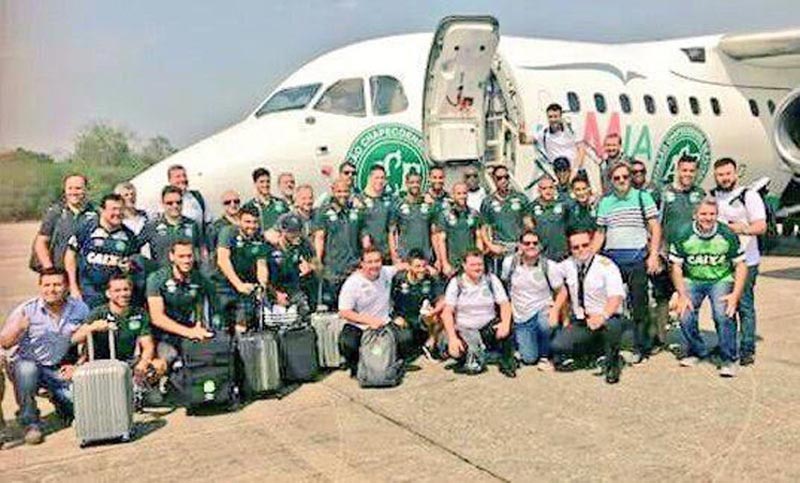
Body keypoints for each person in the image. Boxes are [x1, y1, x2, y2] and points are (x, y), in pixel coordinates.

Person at [0, 269, 89, 445]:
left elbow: (88, 339)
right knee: (27, 370)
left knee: (78, 408)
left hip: (56, 368)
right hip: (26, 365)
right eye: (47, 285)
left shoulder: (79, 308)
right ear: (40, 287)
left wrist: (78, 364)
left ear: (66, 287)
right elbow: (4, 343)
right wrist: (19, 328)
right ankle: (30, 421)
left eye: (57, 285)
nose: (52, 289)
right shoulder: (27, 310)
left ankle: (58, 399)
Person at [592, 161, 662, 363]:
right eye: (617, 178)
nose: (621, 180)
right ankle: (608, 347)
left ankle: (641, 348)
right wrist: (589, 256)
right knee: (609, 305)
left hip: (637, 259)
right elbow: (600, 233)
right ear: (611, 181)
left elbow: (655, 228)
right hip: (612, 261)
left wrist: (654, 254)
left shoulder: (642, 197)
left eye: (625, 177)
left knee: (639, 306)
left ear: (630, 178)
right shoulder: (605, 202)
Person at [669, 198, 747, 377]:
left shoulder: (727, 234)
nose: (708, 218)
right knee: (685, 314)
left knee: (723, 314)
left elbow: (741, 265)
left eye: (712, 214)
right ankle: (697, 351)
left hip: (720, 278)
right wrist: (682, 294)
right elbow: (676, 267)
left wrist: (735, 295)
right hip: (693, 279)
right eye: (703, 214)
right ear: (695, 215)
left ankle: (729, 358)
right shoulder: (683, 233)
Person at [711, 157, 767, 366]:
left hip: (746, 261)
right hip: (722, 262)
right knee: (724, 305)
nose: (724, 178)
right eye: (720, 175)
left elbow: (760, 226)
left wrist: (741, 228)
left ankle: (747, 347)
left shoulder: (748, 195)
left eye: (727, 174)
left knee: (744, 305)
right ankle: (727, 344)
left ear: (735, 174)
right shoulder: (714, 196)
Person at [551, 230, 626, 384]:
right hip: (582, 320)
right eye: (575, 247)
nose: (581, 250)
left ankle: (613, 364)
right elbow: (551, 277)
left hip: (607, 317)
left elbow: (616, 297)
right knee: (558, 345)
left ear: (592, 244)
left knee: (612, 328)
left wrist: (602, 316)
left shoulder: (606, 266)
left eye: (585, 245)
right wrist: (553, 308)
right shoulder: (566, 266)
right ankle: (592, 353)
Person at [71, 273, 166, 380]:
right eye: (117, 291)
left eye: (126, 289)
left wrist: (143, 364)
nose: (123, 294)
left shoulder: (139, 313)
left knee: (159, 365)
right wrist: (92, 327)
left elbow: (148, 346)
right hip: (100, 364)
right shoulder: (98, 313)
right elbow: (74, 339)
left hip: (128, 362)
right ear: (108, 293)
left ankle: (140, 392)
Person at [655, 154, 706, 349]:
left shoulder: (700, 195)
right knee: (661, 298)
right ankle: (659, 339)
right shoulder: (665, 193)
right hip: (667, 255)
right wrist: (657, 252)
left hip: (690, 258)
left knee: (689, 298)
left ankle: (690, 341)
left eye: (691, 171)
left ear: (696, 172)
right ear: (678, 170)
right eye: (684, 170)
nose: (688, 174)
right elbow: (657, 224)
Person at [441, 251, 516, 377]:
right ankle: (472, 356)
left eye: (480, 264)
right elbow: (447, 313)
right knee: (456, 353)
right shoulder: (456, 283)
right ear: (464, 266)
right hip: (465, 330)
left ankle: (506, 362)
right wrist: (453, 338)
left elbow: (505, 304)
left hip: (487, 327)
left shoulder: (491, 279)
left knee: (507, 327)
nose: (478, 268)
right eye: (473, 265)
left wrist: (505, 323)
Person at [338, 248, 409, 376]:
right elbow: (344, 312)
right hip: (360, 325)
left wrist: (424, 269)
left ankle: (390, 363)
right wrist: (369, 321)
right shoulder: (352, 283)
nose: (374, 265)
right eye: (369, 262)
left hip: (384, 323)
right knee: (347, 343)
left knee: (406, 338)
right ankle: (358, 367)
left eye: (377, 261)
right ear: (362, 264)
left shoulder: (385, 272)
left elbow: (401, 266)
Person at [501, 231, 566, 369]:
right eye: (527, 243)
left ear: (540, 246)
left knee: (546, 324)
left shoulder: (549, 266)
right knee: (529, 359)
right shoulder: (509, 263)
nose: (531, 246)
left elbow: (562, 292)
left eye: (535, 243)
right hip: (521, 317)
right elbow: (505, 288)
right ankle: (528, 347)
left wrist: (555, 311)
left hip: (543, 311)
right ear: (520, 245)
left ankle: (545, 356)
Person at [146, 239, 215, 367]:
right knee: (166, 359)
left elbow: (200, 305)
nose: (186, 260)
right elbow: (157, 318)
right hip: (161, 335)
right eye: (181, 256)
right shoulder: (157, 279)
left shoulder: (198, 278)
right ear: (172, 257)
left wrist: (199, 326)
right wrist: (189, 332)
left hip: (186, 330)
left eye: (189, 256)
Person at [65, 193, 140, 308]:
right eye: (113, 209)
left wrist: (130, 266)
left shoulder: (129, 236)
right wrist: (73, 288)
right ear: (102, 210)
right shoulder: (86, 229)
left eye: (121, 209)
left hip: (116, 297)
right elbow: (70, 256)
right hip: (89, 293)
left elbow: (134, 264)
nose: (118, 213)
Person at [313, 178, 366, 307]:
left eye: (346, 191)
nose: (343, 194)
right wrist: (317, 261)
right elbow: (320, 237)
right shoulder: (324, 211)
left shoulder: (357, 210)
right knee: (333, 308)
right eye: (339, 191)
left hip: (353, 268)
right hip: (333, 270)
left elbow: (363, 237)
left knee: (354, 307)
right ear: (333, 191)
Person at [213, 206, 268, 330]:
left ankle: (242, 346)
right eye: (247, 222)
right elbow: (222, 260)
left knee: (243, 325)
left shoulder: (259, 237)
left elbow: (261, 265)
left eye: (255, 222)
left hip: (245, 286)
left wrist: (262, 285)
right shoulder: (228, 232)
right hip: (223, 285)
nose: (252, 226)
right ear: (239, 220)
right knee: (221, 328)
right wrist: (238, 285)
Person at [32, 173, 97, 272]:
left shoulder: (96, 213)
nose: (74, 192)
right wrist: (49, 269)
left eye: (78, 188)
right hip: (59, 271)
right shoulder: (55, 212)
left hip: (86, 274)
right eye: (70, 188)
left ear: (86, 190)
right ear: (65, 190)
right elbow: (41, 242)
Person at [390, 249, 445, 359]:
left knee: (443, 313)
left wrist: (433, 312)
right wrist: (395, 317)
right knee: (405, 342)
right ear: (409, 266)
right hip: (403, 320)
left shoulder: (430, 278)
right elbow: (386, 301)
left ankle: (431, 343)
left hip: (422, 319)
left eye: (424, 266)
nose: (422, 270)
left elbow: (441, 300)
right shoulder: (398, 279)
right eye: (417, 266)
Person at [480, 165, 533, 274]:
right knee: (500, 283)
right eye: (499, 178)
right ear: (494, 180)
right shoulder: (487, 202)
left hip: (518, 248)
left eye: (506, 177)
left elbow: (529, 224)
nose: (503, 181)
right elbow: (483, 228)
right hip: (500, 249)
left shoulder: (521, 198)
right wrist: (491, 246)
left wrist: (526, 245)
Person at [265, 213, 317, 312]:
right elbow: (264, 277)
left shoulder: (303, 243)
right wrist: (276, 294)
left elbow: (317, 264)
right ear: (283, 231)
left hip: (294, 288)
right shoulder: (271, 247)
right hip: (273, 289)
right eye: (292, 232)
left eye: (298, 231)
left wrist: (310, 267)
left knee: (304, 310)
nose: (297, 235)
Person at [140, 186, 203, 266]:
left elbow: (200, 251)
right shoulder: (152, 226)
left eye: (178, 202)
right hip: (162, 275)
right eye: (170, 203)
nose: (175, 206)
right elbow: (133, 248)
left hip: (188, 275)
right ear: (162, 204)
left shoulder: (192, 225)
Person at [433, 182, 483, 277]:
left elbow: (478, 238)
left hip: (470, 263)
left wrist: (479, 259)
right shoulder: (445, 215)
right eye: (459, 193)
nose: (462, 196)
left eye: (464, 193)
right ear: (453, 195)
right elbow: (441, 240)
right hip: (453, 263)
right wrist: (445, 263)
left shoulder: (474, 214)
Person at [389, 170, 436, 264]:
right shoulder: (398, 205)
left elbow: (435, 232)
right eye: (412, 182)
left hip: (425, 258)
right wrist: (394, 257)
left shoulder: (429, 205)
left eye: (418, 182)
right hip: (405, 258)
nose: (415, 185)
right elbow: (392, 233)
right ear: (406, 184)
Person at [354, 165, 394, 261]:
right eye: (376, 178)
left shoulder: (389, 199)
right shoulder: (359, 200)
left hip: (386, 254)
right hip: (368, 254)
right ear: (369, 179)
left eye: (382, 178)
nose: (380, 181)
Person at [530, 176, 570, 264]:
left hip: (563, 256)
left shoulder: (563, 205)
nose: (548, 191)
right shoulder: (532, 207)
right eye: (544, 188)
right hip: (543, 256)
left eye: (551, 188)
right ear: (538, 190)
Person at [166, 164, 211, 234]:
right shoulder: (165, 202)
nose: (183, 179)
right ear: (170, 180)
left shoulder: (197, 197)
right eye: (178, 177)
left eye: (184, 176)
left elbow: (209, 221)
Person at [243, 167, 290, 233]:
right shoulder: (249, 206)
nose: (265, 185)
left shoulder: (281, 203)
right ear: (255, 183)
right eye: (261, 182)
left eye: (268, 181)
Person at [205, 190, 241, 259]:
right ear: (223, 205)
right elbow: (212, 252)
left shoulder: (247, 223)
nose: (233, 204)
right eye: (228, 202)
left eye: (236, 201)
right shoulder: (216, 227)